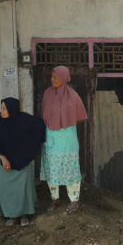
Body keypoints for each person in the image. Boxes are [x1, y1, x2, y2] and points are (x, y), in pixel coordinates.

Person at [0, 97, 46, 226]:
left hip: (22, 161)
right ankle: (12, 215)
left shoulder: (23, 119)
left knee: (23, 189)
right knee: (5, 188)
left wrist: (28, 151)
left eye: (4, 109)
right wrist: (4, 159)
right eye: (1, 108)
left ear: (12, 109)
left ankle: (24, 214)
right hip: (5, 161)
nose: (1, 111)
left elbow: (39, 124)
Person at [41, 65, 88, 213]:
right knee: (51, 167)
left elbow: (80, 117)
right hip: (51, 138)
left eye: (55, 77)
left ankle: (74, 200)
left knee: (70, 167)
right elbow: (44, 114)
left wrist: (65, 122)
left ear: (63, 78)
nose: (52, 79)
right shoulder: (47, 94)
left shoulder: (73, 96)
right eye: (52, 76)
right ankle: (54, 198)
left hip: (67, 138)